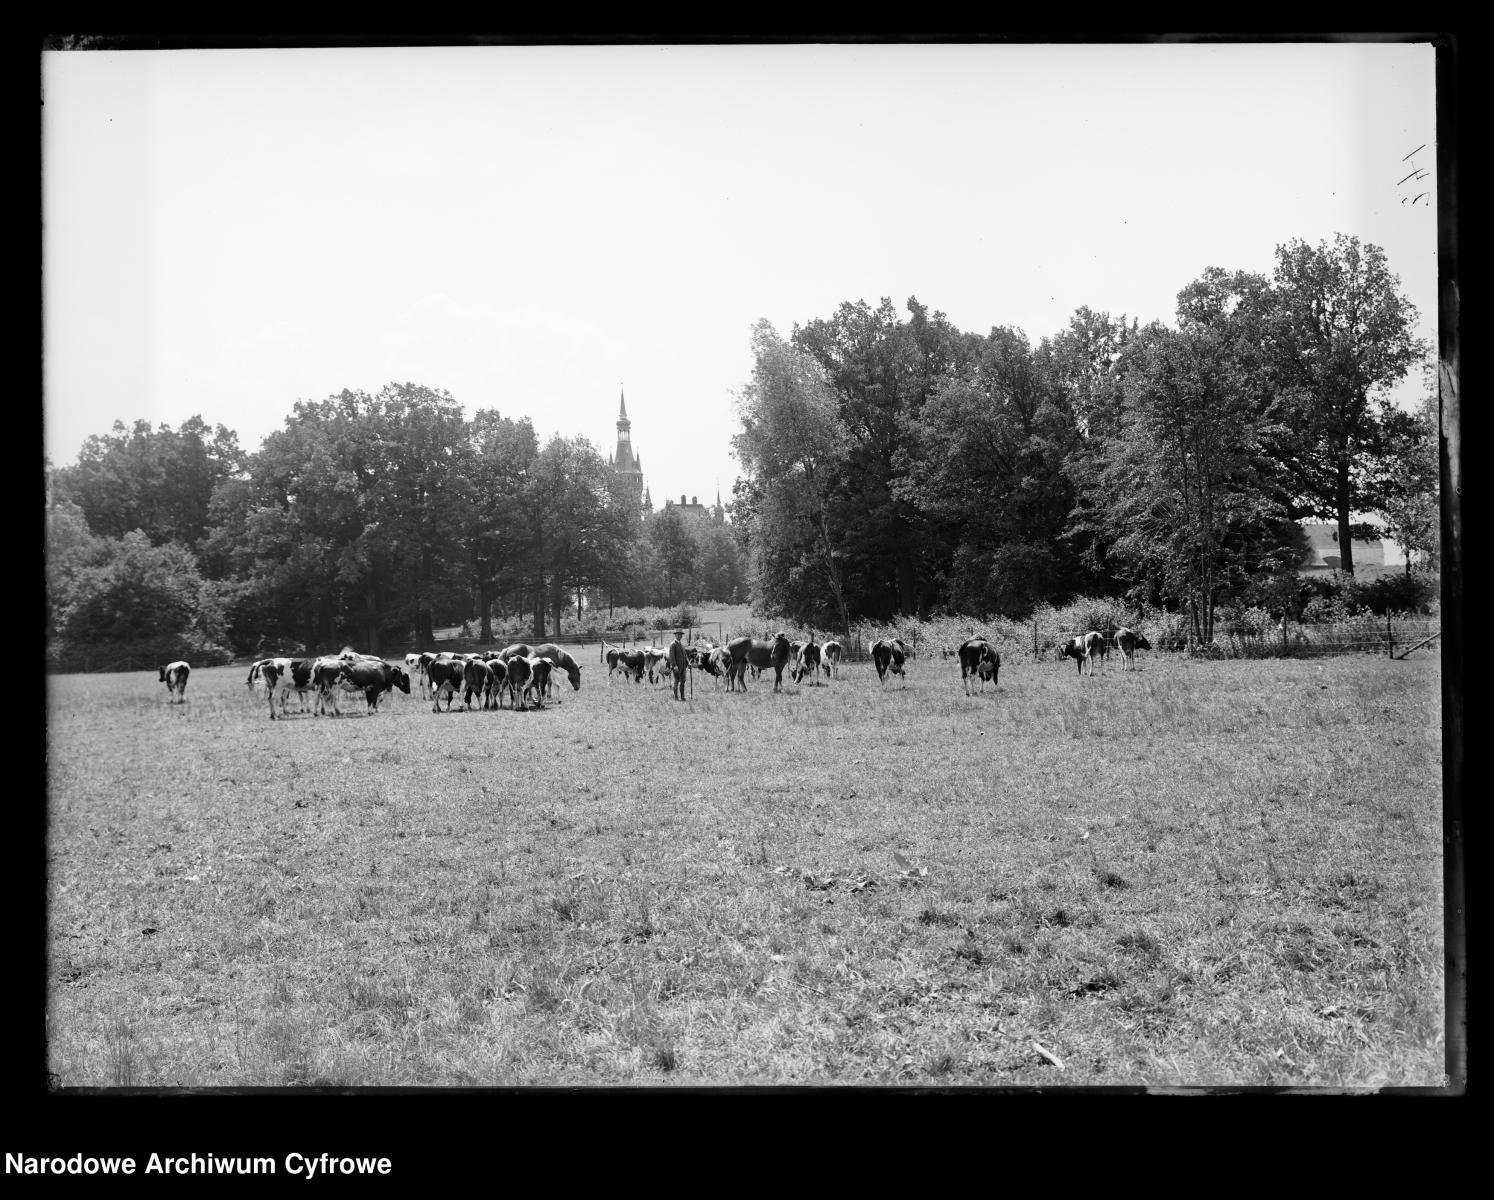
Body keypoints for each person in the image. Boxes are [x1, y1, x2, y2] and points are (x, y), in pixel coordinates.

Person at [668, 630, 689, 701]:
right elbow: (672, 656)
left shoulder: (681, 644)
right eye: (678, 634)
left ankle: (682, 697)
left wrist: (688, 663)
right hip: (676, 667)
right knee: (676, 681)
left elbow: (685, 655)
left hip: (683, 666)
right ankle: (676, 697)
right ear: (675, 635)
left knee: (683, 681)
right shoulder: (673, 644)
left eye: (681, 635)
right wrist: (674, 666)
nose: (680, 636)